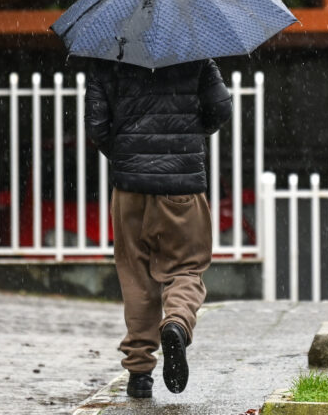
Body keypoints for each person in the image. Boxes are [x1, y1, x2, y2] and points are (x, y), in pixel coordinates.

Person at [84, 57, 232, 399]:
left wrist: (127, 155)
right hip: (182, 184)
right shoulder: (195, 53)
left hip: (129, 189)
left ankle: (139, 374)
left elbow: (97, 126)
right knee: (187, 267)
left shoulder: (106, 58)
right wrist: (190, 136)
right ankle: (177, 322)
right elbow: (221, 108)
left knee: (135, 276)